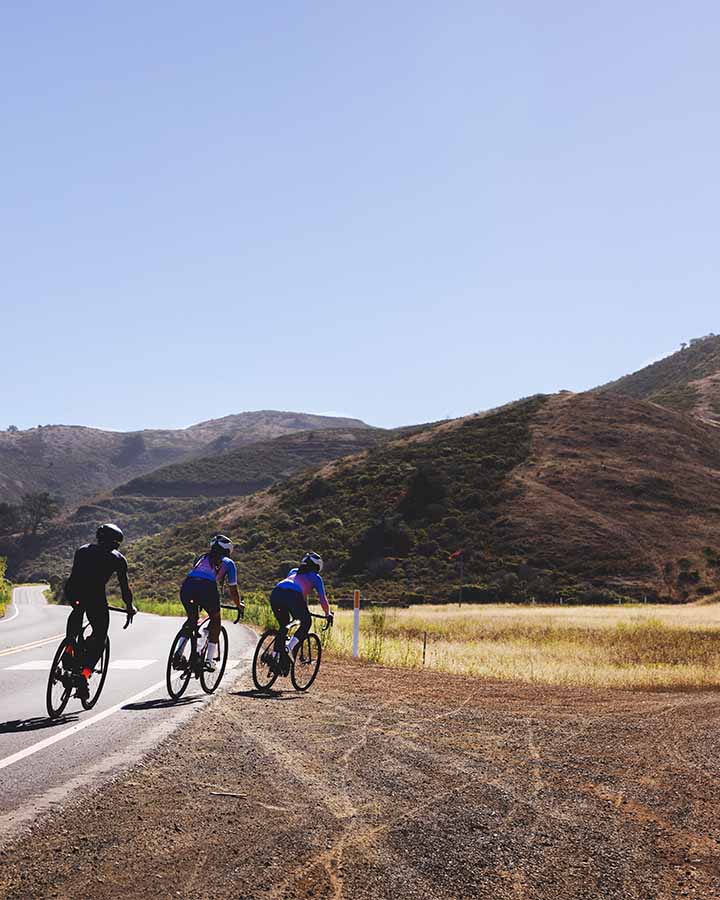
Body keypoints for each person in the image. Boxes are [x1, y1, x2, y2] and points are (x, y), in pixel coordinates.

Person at [63, 523, 135, 699]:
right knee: (101, 636)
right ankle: (84, 674)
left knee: (78, 611)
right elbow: (124, 587)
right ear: (116, 543)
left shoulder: (82, 550)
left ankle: (70, 648)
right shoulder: (118, 559)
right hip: (95, 596)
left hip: (73, 591)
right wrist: (129, 606)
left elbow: (77, 574)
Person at [175, 534, 244, 671]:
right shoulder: (228, 563)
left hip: (188, 586)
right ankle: (209, 660)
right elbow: (233, 589)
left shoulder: (200, 558)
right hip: (207, 588)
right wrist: (238, 605)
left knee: (192, 620)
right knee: (216, 620)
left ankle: (178, 653)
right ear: (228, 551)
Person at [270, 551, 333, 672]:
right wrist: (327, 613)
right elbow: (322, 598)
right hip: (293, 596)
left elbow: (298, 591)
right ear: (317, 567)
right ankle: (289, 647)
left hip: (276, 592)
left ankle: (275, 657)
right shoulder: (316, 577)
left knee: (284, 625)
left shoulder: (293, 571)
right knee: (306, 622)